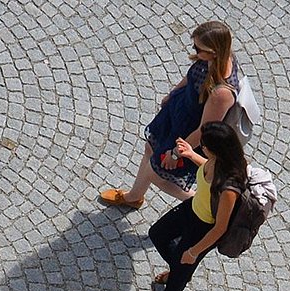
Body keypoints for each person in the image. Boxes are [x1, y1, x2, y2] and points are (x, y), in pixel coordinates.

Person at [98, 21, 240, 210]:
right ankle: (134, 197)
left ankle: (206, 207)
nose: (194, 50)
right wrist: (173, 93)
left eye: (199, 48)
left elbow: (203, 130)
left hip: (188, 135)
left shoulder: (221, 93)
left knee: (157, 174)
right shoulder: (213, 58)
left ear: (214, 51)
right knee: (150, 148)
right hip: (179, 113)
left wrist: (175, 153)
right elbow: (193, 76)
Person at [137, 121, 246, 291]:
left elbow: (220, 228)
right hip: (192, 209)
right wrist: (191, 154)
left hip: (204, 227)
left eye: (204, 145)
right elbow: (207, 167)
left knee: (185, 257)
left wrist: (194, 251)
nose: (202, 147)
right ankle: (180, 272)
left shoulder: (230, 187)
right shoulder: (218, 161)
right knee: (158, 234)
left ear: (217, 150)